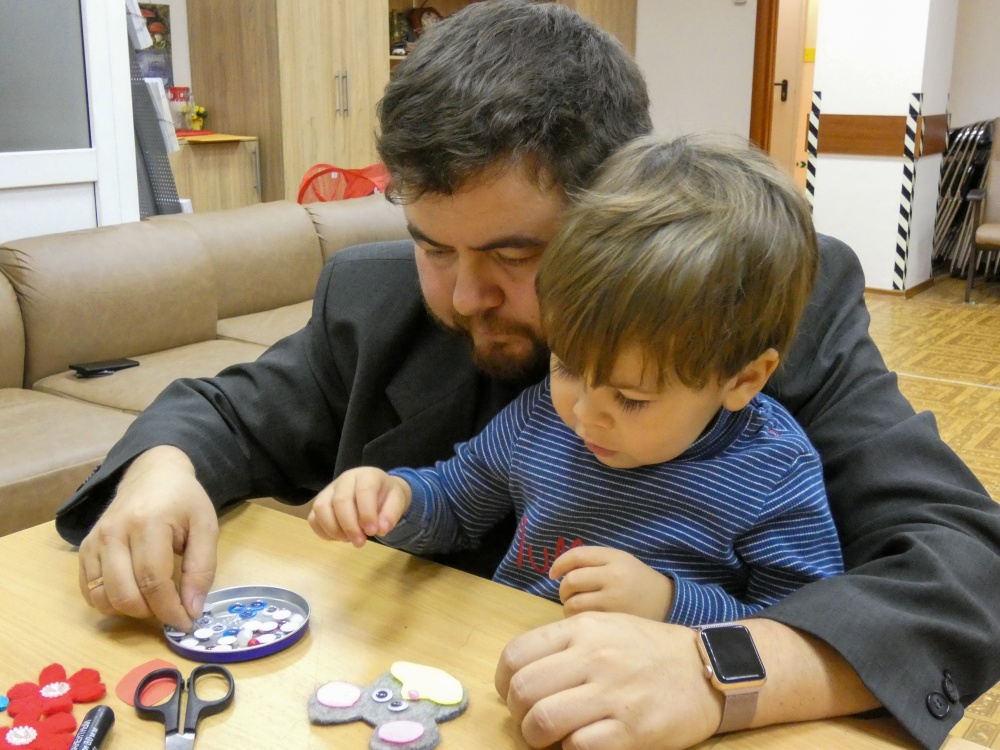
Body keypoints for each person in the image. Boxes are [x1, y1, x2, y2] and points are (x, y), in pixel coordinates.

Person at [54, 2, 1000, 749]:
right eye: (432, 245)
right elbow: (226, 412)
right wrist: (161, 474)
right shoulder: (373, 295)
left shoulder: (763, 296)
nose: (465, 294)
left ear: (619, 211)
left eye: (515, 254)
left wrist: (720, 667)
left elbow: (963, 565)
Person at [309, 135, 844, 627]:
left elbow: (799, 626)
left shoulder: (774, 470)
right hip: (507, 657)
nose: (584, 413)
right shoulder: (542, 416)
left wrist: (668, 602)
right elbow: (454, 503)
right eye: (566, 366)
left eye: (630, 398)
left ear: (744, 378)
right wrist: (395, 498)